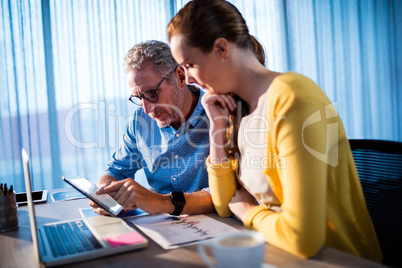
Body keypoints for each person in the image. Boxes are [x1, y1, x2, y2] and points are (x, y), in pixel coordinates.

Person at [167, 0, 382, 262]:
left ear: (221, 48)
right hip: (277, 254)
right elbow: (224, 205)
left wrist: (248, 212)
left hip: (334, 259)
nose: (188, 79)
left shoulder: (291, 97)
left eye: (189, 64)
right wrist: (217, 126)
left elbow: (302, 239)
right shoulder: (241, 109)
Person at [90, 40, 214, 216]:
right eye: (139, 97)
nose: (147, 109)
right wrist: (105, 194)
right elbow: (116, 171)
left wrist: (158, 202)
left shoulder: (217, 114)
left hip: (212, 227)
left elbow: (225, 194)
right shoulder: (139, 121)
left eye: (152, 94)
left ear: (180, 77)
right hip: (159, 225)